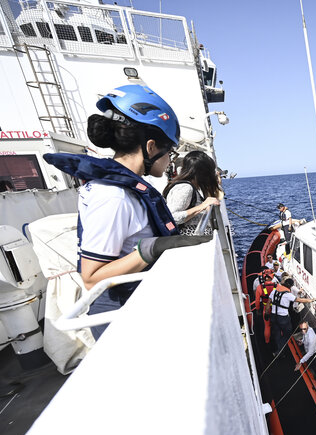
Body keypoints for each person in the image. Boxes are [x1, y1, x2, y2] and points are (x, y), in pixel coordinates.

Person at [43, 84, 209, 340]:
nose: (170, 161)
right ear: (152, 147)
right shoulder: (114, 196)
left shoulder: (122, 189)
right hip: (120, 313)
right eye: (170, 152)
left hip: (136, 298)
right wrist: (153, 248)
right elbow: (91, 279)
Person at [162, 150, 221, 235]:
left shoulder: (192, 187)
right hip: (187, 243)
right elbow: (171, 217)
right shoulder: (185, 188)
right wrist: (202, 206)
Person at [269, 277, 313, 353]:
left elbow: (268, 305)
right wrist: (310, 300)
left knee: (277, 333)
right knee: (287, 334)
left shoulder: (274, 292)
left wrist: (266, 314)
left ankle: (278, 347)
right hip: (283, 318)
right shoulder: (287, 294)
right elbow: (299, 300)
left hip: (273, 316)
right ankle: (280, 351)